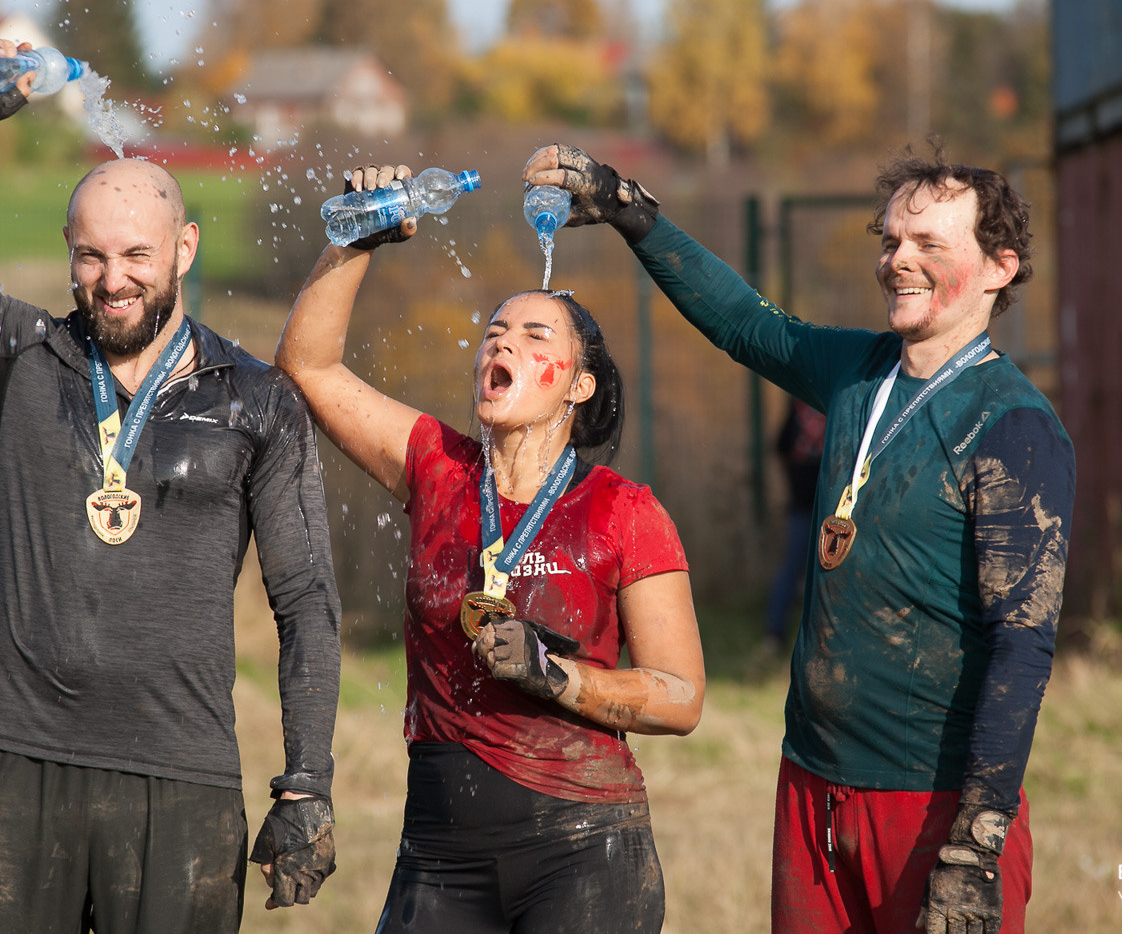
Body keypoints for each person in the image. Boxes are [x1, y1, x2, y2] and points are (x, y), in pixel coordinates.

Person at [0, 32, 341, 933]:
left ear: (185, 248)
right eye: (90, 257)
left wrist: (308, 783)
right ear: (67, 252)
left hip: (182, 780)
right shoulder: (8, 355)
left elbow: (308, 599)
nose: (112, 280)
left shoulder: (257, 401)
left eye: (137, 255)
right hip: (11, 771)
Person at [524, 144, 1074, 934]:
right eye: (889, 241)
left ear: (997, 268)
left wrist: (977, 840)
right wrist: (629, 211)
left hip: (931, 804)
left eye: (928, 246)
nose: (897, 261)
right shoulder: (861, 371)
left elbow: (1023, 647)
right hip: (812, 783)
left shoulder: (1015, 425)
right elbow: (747, 323)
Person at [274, 164, 705, 933]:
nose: (500, 341)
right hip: (438, 848)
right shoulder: (437, 467)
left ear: (577, 386)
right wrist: (358, 236)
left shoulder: (623, 510)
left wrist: (558, 677)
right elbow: (307, 366)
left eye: (534, 335)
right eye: (493, 332)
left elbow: (681, 697)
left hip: (584, 846)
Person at [760, 399, 825, 656]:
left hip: (836, 508)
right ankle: (774, 635)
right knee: (792, 569)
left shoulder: (844, 403)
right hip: (804, 506)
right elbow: (782, 445)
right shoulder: (800, 404)